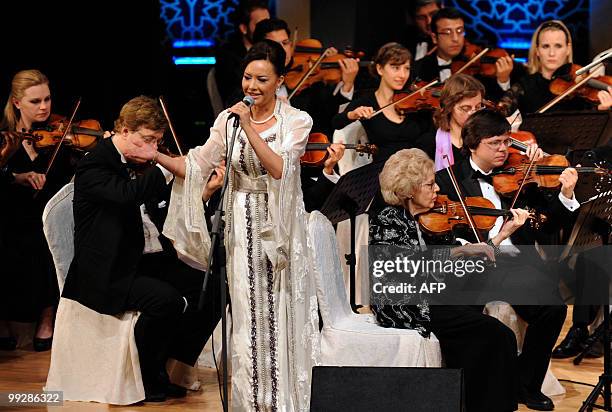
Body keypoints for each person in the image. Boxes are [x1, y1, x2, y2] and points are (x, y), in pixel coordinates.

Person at [124, 40, 319, 410]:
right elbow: (196, 165)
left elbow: (280, 168)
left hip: (278, 231)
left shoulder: (297, 120)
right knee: (246, 315)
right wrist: (158, 156)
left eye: (262, 79)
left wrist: (248, 126)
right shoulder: (225, 121)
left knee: (277, 314)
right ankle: (250, 402)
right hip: (240, 228)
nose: (252, 86)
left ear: (280, 80)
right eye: (247, 77)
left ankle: (282, 401)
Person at [61, 96, 219, 401]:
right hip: (107, 271)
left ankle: (176, 366)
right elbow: (125, 196)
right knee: (166, 301)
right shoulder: (94, 164)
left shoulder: (140, 164)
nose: (154, 148)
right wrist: (162, 167)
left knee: (211, 287)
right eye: (147, 140)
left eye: (157, 141)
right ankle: (146, 376)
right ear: (124, 130)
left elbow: (165, 211)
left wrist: (204, 191)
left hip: (142, 259)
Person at [370, 148, 532, 412]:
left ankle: (469, 397)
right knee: (497, 334)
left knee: (480, 299)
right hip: (407, 306)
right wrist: (463, 252)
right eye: (430, 184)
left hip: (426, 296)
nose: (437, 189)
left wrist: (487, 242)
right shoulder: (389, 220)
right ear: (410, 189)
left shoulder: (412, 220)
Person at [435, 109, 577, 410]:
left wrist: (565, 193)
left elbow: (548, 224)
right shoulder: (448, 181)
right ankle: (473, 388)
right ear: (473, 144)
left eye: (506, 142)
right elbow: (444, 235)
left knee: (552, 308)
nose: (503, 149)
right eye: (495, 143)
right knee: (467, 318)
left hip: (514, 263)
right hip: (474, 264)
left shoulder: (521, 176)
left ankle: (526, 384)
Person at [0, 69, 71, 352]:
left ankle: (47, 317)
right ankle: (3, 319)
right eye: (35, 101)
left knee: (49, 241)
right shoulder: (4, 136)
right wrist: (15, 176)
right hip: (10, 212)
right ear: (17, 103)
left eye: (47, 99)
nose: (44, 107)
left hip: (45, 213)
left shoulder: (61, 135)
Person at [332, 42, 434, 163]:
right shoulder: (366, 101)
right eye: (395, 67)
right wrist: (352, 114)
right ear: (380, 68)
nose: (402, 75)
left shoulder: (415, 103)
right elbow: (336, 123)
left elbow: (430, 138)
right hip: (382, 172)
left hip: (416, 170)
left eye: (406, 68)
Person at [499, 20, 612, 115]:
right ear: (537, 50)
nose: (552, 53)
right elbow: (501, 115)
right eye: (545, 46)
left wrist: (602, 111)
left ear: (568, 49)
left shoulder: (581, 88)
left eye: (558, 46)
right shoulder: (524, 85)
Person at [412, 7, 516, 102]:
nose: (455, 39)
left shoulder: (476, 70)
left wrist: (503, 80)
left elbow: (496, 105)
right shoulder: (417, 69)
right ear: (434, 37)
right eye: (447, 32)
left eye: (459, 31)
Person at [419, 73, 486, 170]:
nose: (473, 113)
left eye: (478, 107)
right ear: (449, 107)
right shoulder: (429, 143)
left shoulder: (484, 141)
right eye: (466, 108)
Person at [215, 0, 271, 106]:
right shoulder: (227, 55)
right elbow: (232, 97)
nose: (266, 29)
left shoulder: (271, 50)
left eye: (268, 23)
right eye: (260, 24)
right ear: (244, 28)